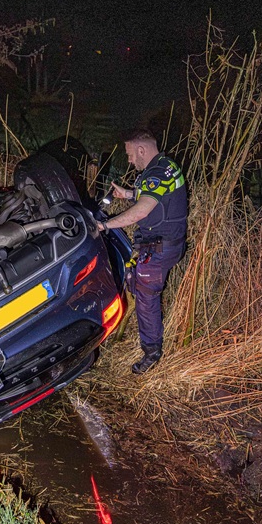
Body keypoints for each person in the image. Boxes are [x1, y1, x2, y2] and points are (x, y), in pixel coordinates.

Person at [95, 129, 188, 374]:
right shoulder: (165, 166)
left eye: (129, 154)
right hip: (166, 243)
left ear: (141, 149)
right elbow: (156, 196)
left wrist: (105, 225)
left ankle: (151, 352)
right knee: (138, 286)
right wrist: (127, 194)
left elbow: (142, 210)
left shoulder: (156, 173)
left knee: (146, 298)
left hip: (160, 247)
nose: (129, 160)